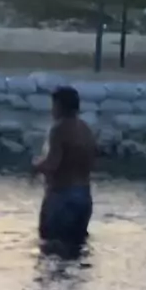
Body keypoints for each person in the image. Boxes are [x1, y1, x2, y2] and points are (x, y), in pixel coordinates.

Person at [32, 86, 97, 246]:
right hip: (84, 197)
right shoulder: (86, 129)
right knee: (77, 247)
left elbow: (52, 164)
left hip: (61, 196)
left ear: (59, 106)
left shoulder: (58, 129)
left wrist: (36, 166)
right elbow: (93, 161)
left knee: (51, 246)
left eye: (53, 105)